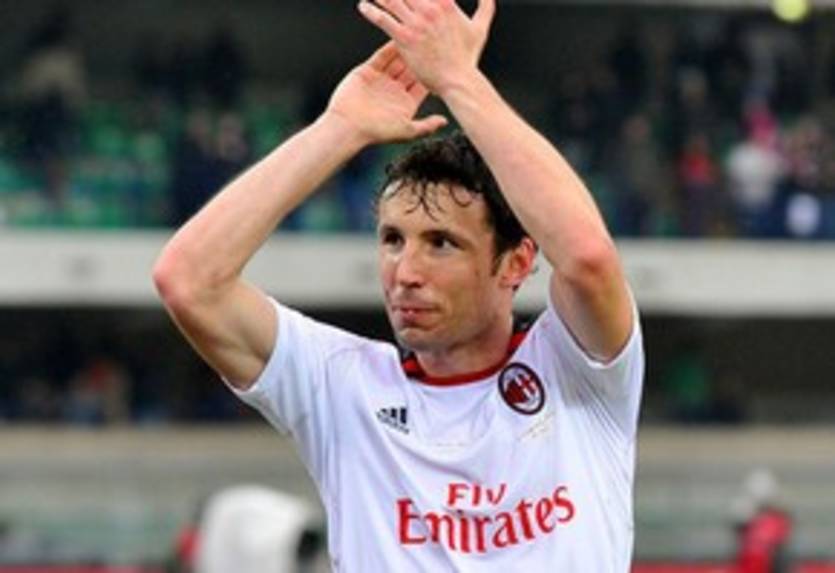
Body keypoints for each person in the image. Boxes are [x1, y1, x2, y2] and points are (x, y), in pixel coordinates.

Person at [153, 0, 644, 570]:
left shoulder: (577, 370)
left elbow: (587, 258)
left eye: (441, 243)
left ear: (515, 263)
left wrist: (459, 81)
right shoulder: (342, 387)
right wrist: (338, 131)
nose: (405, 272)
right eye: (392, 239)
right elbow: (189, 281)